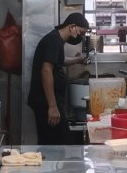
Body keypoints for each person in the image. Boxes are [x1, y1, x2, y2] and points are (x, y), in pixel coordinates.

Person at [29, 10, 89, 145]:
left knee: (52, 143)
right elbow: (46, 70)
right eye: (81, 32)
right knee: (58, 143)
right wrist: (52, 106)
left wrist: (78, 59)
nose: (81, 36)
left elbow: (59, 61)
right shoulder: (54, 40)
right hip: (46, 103)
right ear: (72, 27)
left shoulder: (57, 40)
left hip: (50, 101)